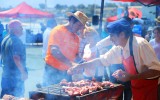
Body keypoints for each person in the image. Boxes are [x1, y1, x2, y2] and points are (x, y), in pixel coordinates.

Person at [68, 17, 160, 100]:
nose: (110, 39)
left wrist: (132, 76)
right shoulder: (119, 48)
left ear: (122, 34)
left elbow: (156, 70)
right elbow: (102, 60)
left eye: (112, 35)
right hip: (137, 88)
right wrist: (80, 66)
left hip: (152, 89)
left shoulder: (141, 44)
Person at [43, 11, 88, 86]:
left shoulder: (76, 38)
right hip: (53, 70)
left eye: (81, 26)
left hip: (66, 72)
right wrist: (71, 64)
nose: (80, 29)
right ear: (72, 21)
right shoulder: (58, 30)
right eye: (79, 25)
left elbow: (75, 55)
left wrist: (81, 62)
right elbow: (54, 51)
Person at [0, 20, 28, 97]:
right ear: (16, 29)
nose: (22, 29)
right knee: (16, 97)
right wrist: (23, 72)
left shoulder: (5, 39)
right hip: (14, 78)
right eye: (21, 27)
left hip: (5, 76)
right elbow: (16, 58)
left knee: (5, 97)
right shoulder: (16, 41)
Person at [149, 26, 160, 100]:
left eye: (158, 32)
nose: (156, 34)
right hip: (153, 65)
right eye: (155, 32)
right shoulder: (151, 42)